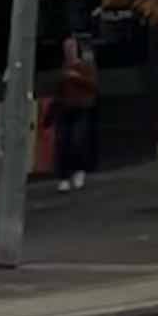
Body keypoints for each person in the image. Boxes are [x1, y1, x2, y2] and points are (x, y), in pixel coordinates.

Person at [50, 34, 100, 195]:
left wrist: (77, 78)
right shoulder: (63, 67)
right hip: (65, 107)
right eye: (66, 48)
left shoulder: (85, 66)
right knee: (63, 141)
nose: (69, 51)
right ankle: (64, 177)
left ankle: (79, 170)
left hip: (81, 107)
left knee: (77, 140)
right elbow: (57, 88)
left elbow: (93, 85)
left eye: (71, 48)